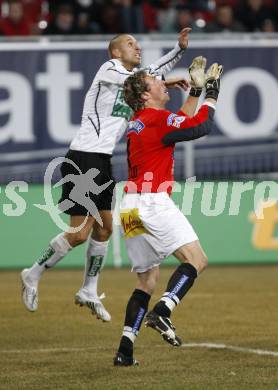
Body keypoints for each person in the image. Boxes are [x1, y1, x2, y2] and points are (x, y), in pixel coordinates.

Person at [20, 29, 192, 322]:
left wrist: (179, 48)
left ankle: (88, 289)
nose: (137, 48)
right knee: (80, 233)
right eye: (130, 44)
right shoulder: (109, 69)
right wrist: (167, 80)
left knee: (104, 229)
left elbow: (152, 73)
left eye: (138, 44)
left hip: (101, 161)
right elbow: (144, 79)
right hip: (83, 157)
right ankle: (32, 273)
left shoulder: (135, 77)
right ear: (115, 52)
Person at [113, 58, 223, 366]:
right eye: (155, 82)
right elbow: (200, 125)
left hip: (131, 208)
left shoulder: (142, 121)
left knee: (146, 281)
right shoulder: (155, 121)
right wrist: (212, 91)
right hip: (152, 202)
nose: (163, 82)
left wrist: (196, 90)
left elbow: (178, 123)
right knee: (197, 260)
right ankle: (162, 311)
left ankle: (125, 350)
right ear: (145, 95)